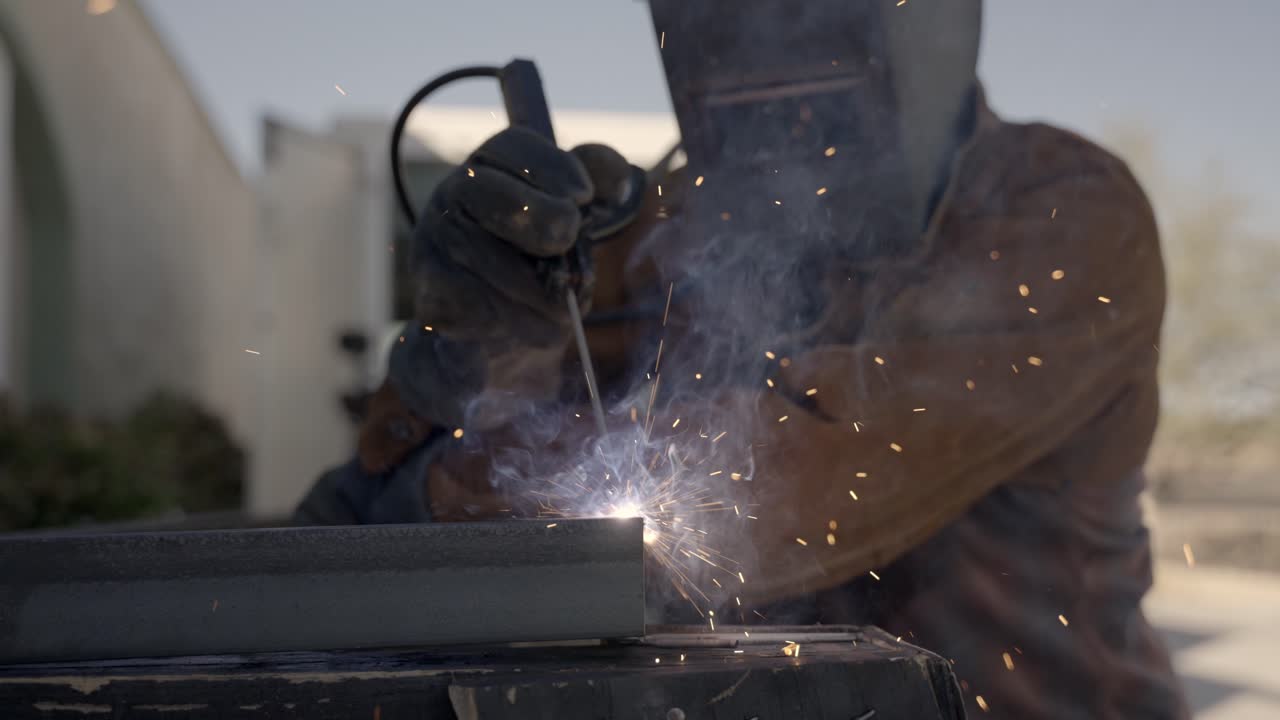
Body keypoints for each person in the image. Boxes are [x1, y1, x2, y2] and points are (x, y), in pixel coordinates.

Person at [296, 1, 1189, 717]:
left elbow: (765, 503)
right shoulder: (658, 225)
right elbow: (360, 524)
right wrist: (472, 352)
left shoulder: (1058, 213)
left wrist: (452, 496)